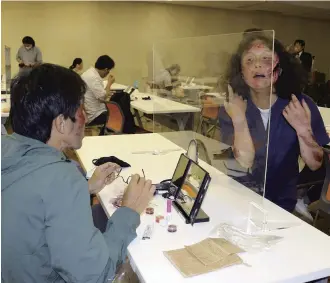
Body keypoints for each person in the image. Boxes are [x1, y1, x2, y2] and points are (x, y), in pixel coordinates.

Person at [1, 63, 155, 282]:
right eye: (80, 108)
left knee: (100, 215)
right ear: (62, 123)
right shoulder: (61, 179)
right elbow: (95, 275)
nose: (85, 114)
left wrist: (86, 187)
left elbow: (33, 201)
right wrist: (129, 210)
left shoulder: (7, 148)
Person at [219, 32, 329, 212]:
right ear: (241, 72)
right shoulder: (233, 106)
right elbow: (244, 162)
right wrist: (239, 120)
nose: (258, 65)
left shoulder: (300, 105)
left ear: (280, 68)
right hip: (237, 199)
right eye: (249, 60)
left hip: (281, 205)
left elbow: (315, 164)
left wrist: (303, 129)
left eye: (266, 59)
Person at [82, 55, 115, 135]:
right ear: (106, 69)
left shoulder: (88, 73)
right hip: (95, 114)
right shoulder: (94, 78)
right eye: (109, 71)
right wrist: (109, 83)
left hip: (88, 111)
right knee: (118, 114)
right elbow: (102, 97)